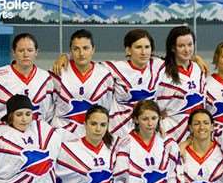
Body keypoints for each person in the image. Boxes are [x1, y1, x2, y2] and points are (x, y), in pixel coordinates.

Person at [52, 29, 209, 138]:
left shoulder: (158, 65)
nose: (143, 51)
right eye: (138, 47)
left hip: (147, 130)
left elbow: (179, 56)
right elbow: (84, 59)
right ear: (128, 50)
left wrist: (196, 58)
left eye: (147, 47)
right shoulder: (113, 68)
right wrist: (66, 56)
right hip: (119, 131)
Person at [113, 100, 182, 183]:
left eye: (154, 118)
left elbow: (176, 174)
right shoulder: (125, 144)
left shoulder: (169, 143)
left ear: (159, 118)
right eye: (145, 119)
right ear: (136, 119)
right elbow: (117, 180)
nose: (150, 123)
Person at [51, 29, 113, 139]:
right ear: (70, 51)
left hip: (93, 135)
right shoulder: (58, 72)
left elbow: (106, 108)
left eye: (85, 48)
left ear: (93, 49)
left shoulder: (105, 75)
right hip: (62, 134)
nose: (81, 53)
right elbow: (50, 106)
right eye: (76, 49)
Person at [56, 105, 120, 183]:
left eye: (103, 125)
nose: (98, 129)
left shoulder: (113, 149)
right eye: (93, 124)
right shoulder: (67, 150)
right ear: (85, 124)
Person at [0, 33, 54, 124]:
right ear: (13, 52)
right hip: (6, 133)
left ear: (36, 52)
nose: (26, 54)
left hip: (37, 133)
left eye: (30, 50)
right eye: (21, 50)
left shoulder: (45, 77)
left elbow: (49, 113)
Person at [157, 26, 206, 143]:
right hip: (172, 133)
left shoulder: (198, 69)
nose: (187, 50)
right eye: (181, 46)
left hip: (198, 134)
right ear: (173, 48)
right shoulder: (162, 71)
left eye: (190, 45)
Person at [177, 109, 223, 183]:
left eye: (206, 123)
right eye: (196, 124)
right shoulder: (180, 152)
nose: (202, 127)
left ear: (212, 127)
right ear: (190, 128)